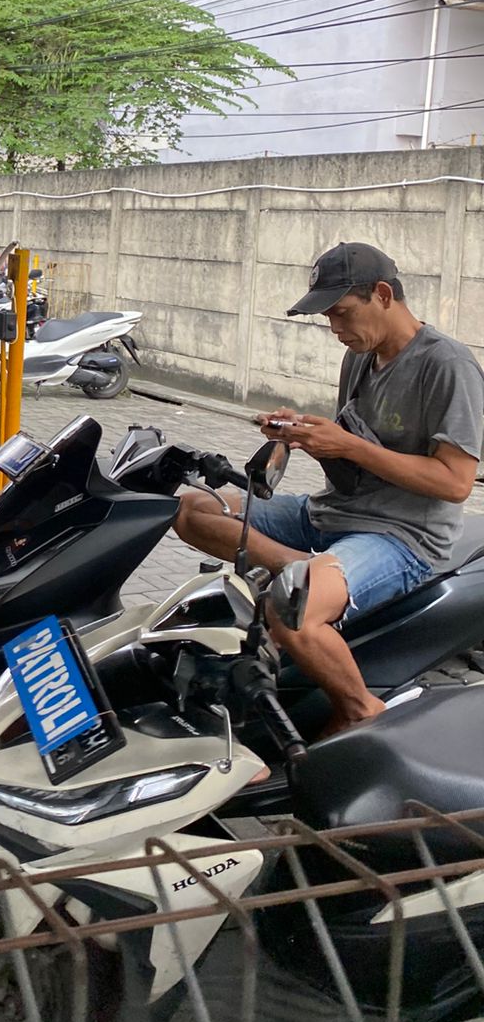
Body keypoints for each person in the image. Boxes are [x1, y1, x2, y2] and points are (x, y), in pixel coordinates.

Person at [175, 241, 484, 736]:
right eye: (328, 318)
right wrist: (299, 434)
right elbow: (352, 447)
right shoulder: (360, 358)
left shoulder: (447, 365)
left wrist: (346, 446)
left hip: (401, 535)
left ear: (383, 294)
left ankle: (361, 709)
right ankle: (300, 569)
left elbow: (455, 482)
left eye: (342, 314)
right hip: (334, 512)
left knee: (290, 609)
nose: (335, 330)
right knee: (192, 508)